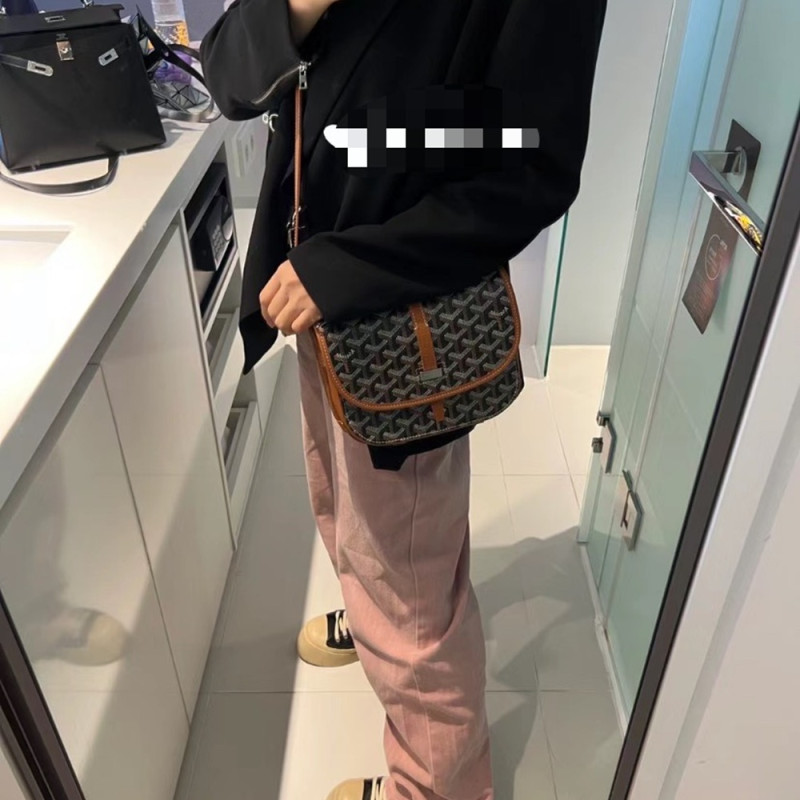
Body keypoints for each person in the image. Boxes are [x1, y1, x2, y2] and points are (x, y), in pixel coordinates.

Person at [200, 1, 606, 798]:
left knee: (408, 577)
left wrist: (346, 271)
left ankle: (438, 785)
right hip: (310, 282)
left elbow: (531, 168)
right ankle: (373, 614)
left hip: (393, 307)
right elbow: (230, 79)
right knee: (344, 508)